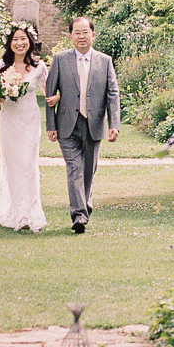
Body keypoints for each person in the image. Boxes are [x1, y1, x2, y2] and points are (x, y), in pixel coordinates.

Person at [45, 16, 120, 233]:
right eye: (77, 32)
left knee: (89, 170)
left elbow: (113, 93)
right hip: (67, 123)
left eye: (85, 32)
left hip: (94, 123)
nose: (81, 36)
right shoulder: (60, 59)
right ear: (70, 37)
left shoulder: (105, 61)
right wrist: (51, 125)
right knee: (74, 169)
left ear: (93, 35)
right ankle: (79, 214)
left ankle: (85, 206)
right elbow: (50, 93)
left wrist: (114, 123)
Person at [0, 23, 48, 232]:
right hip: (9, 121)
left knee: (28, 165)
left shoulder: (39, 67)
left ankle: (27, 214)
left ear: (30, 41)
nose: (19, 43)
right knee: (12, 165)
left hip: (30, 122)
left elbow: (49, 92)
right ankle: (13, 211)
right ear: (9, 42)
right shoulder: (0, 65)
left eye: (23, 38)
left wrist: (57, 97)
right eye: (15, 39)